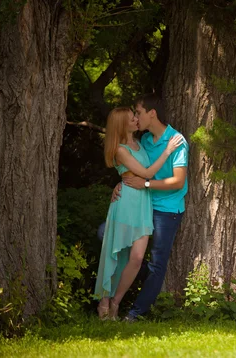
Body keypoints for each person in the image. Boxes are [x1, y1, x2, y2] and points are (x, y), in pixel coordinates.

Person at [94, 106, 183, 320]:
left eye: (136, 115)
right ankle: (104, 303)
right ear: (121, 125)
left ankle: (116, 302)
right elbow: (146, 173)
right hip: (126, 204)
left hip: (143, 204)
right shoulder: (121, 149)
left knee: (136, 258)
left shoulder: (140, 143)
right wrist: (168, 151)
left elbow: (140, 175)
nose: (136, 119)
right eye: (131, 118)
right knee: (115, 252)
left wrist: (124, 182)